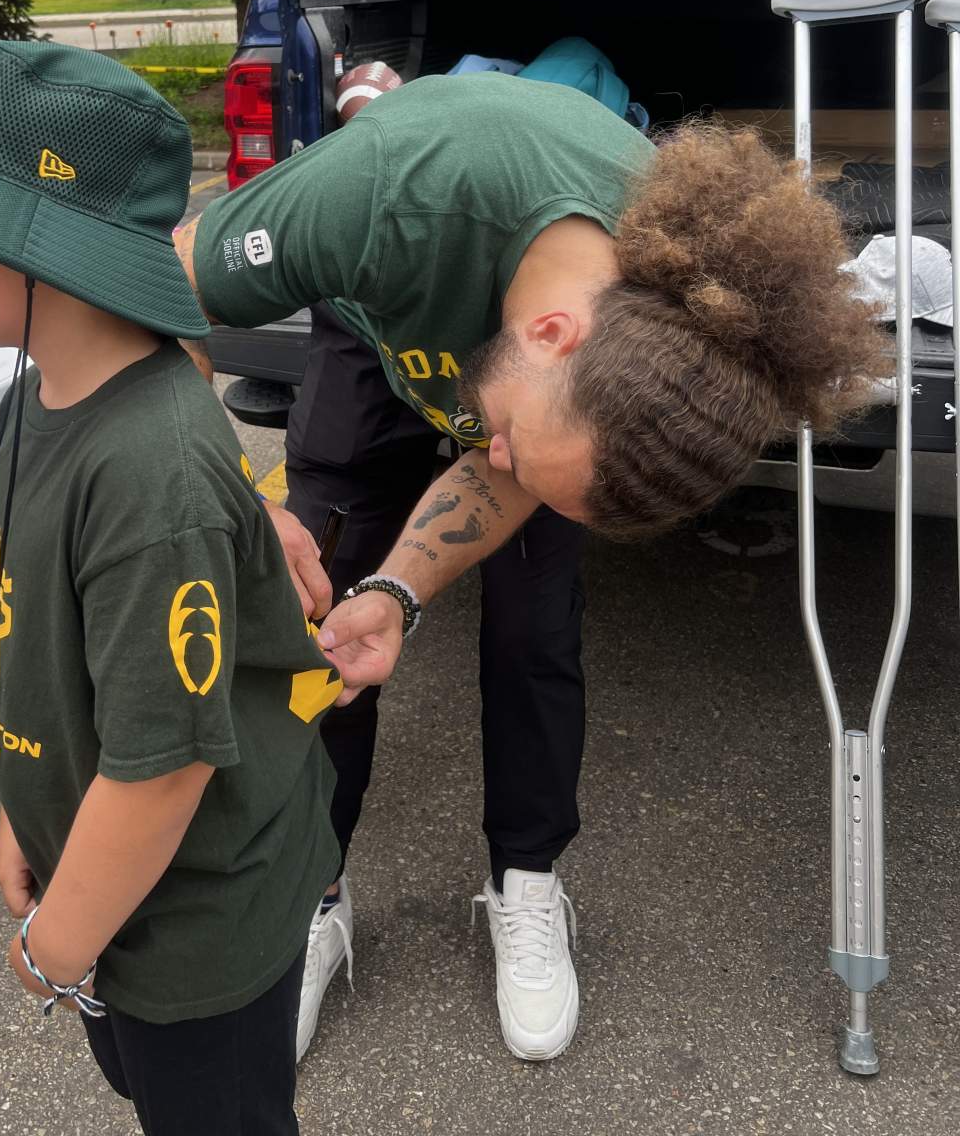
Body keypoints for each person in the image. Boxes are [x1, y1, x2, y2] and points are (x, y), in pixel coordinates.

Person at [175, 70, 887, 1063]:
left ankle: (527, 879)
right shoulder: (386, 190)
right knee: (311, 613)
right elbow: (158, 283)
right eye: (501, 443)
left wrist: (401, 589)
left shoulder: (646, 333)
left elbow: (521, 463)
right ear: (554, 335)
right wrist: (229, 505)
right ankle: (310, 896)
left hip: (542, 385)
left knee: (533, 618)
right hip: (386, 305)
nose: (487, 458)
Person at [0, 39, 341, 1136]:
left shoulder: (149, 475)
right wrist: (26, 807)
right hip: (105, 887)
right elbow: (43, 653)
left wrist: (54, 950)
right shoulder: (44, 388)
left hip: (194, 921)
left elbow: (162, 768)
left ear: (46, 247)